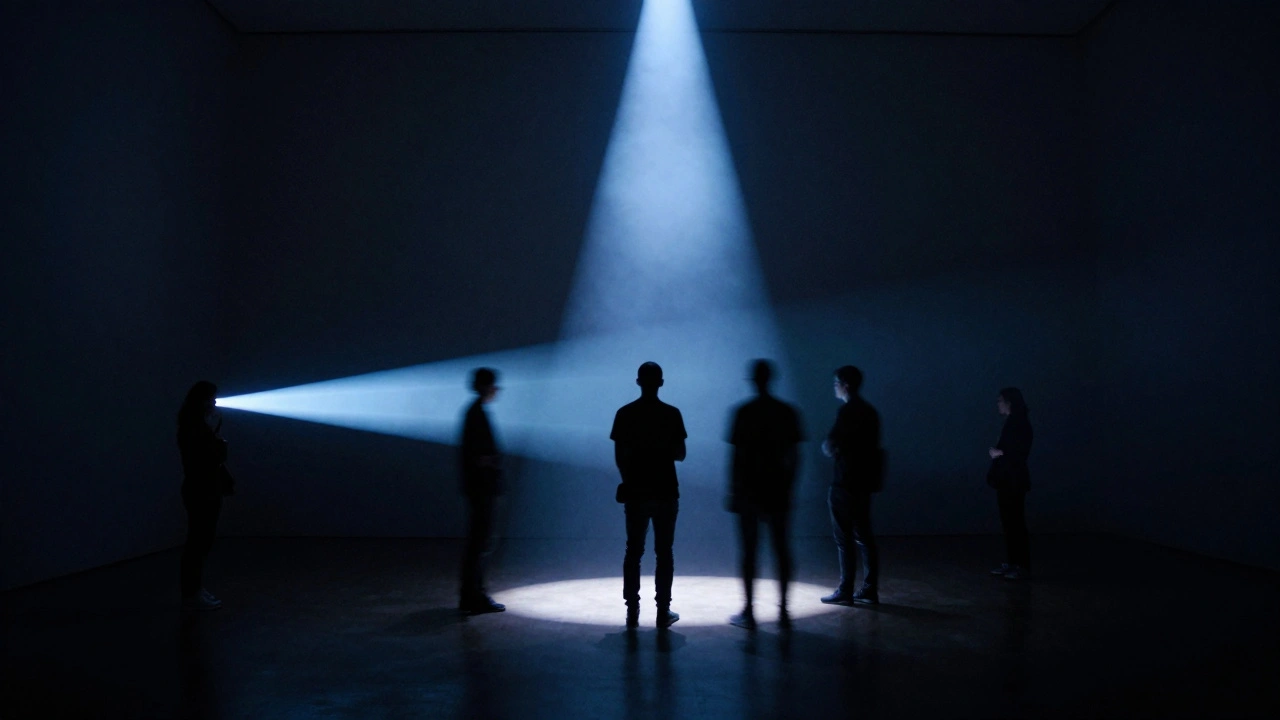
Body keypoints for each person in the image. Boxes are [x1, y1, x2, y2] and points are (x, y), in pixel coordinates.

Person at [726, 360, 804, 631]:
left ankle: (749, 609)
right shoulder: (786, 412)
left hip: (749, 490)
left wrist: (733, 490)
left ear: (753, 380)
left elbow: (736, 456)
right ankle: (783, 609)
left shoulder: (743, 412)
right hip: (777, 490)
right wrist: (789, 486)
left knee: (749, 551)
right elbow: (794, 456)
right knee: (781, 549)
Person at [611, 362, 687, 629]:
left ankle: (632, 608)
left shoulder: (625, 413)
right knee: (664, 552)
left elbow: (620, 456)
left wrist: (628, 479)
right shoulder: (672, 414)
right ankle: (662, 610)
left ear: (638, 382)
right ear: (661, 383)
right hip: (666, 490)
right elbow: (681, 453)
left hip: (636, 491)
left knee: (634, 550)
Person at [820, 366, 883, 606]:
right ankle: (869, 588)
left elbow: (830, 445)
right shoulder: (871, 412)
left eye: (836, 382)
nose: (833, 386)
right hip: (864, 483)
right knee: (864, 536)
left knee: (843, 538)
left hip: (845, 482)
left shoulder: (847, 412)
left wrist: (832, 447)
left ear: (845, 384)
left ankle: (846, 589)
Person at [177, 381, 233, 611]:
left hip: (202, 488)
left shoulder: (193, 426)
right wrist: (219, 441)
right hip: (202, 490)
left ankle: (194, 590)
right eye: (212, 398)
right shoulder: (195, 428)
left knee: (200, 541)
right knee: (199, 542)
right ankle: (192, 593)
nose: (215, 403)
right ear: (202, 400)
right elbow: (212, 458)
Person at [458, 367, 506, 614]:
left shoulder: (475, 412)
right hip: (482, 488)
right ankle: (473, 596)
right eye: (494, 385)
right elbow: (475, 455)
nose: (497, 390)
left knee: (479, 542)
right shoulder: (476, 414)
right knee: (480, 542)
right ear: (487, 387)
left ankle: (473, 594)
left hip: (480, 487)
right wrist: (491, 461)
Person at [987, 387, 1033, 580]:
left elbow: (1019, 452)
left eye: (1000, 401)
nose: (998, 404)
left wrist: (997, 453)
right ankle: (1013, 563)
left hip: (1013, 480)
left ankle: (1020, 565)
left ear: (1009, 402)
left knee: (1015, 522)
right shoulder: (1013, 423)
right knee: (1010, 522)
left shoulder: (1019, 424)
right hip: (1007, 479)